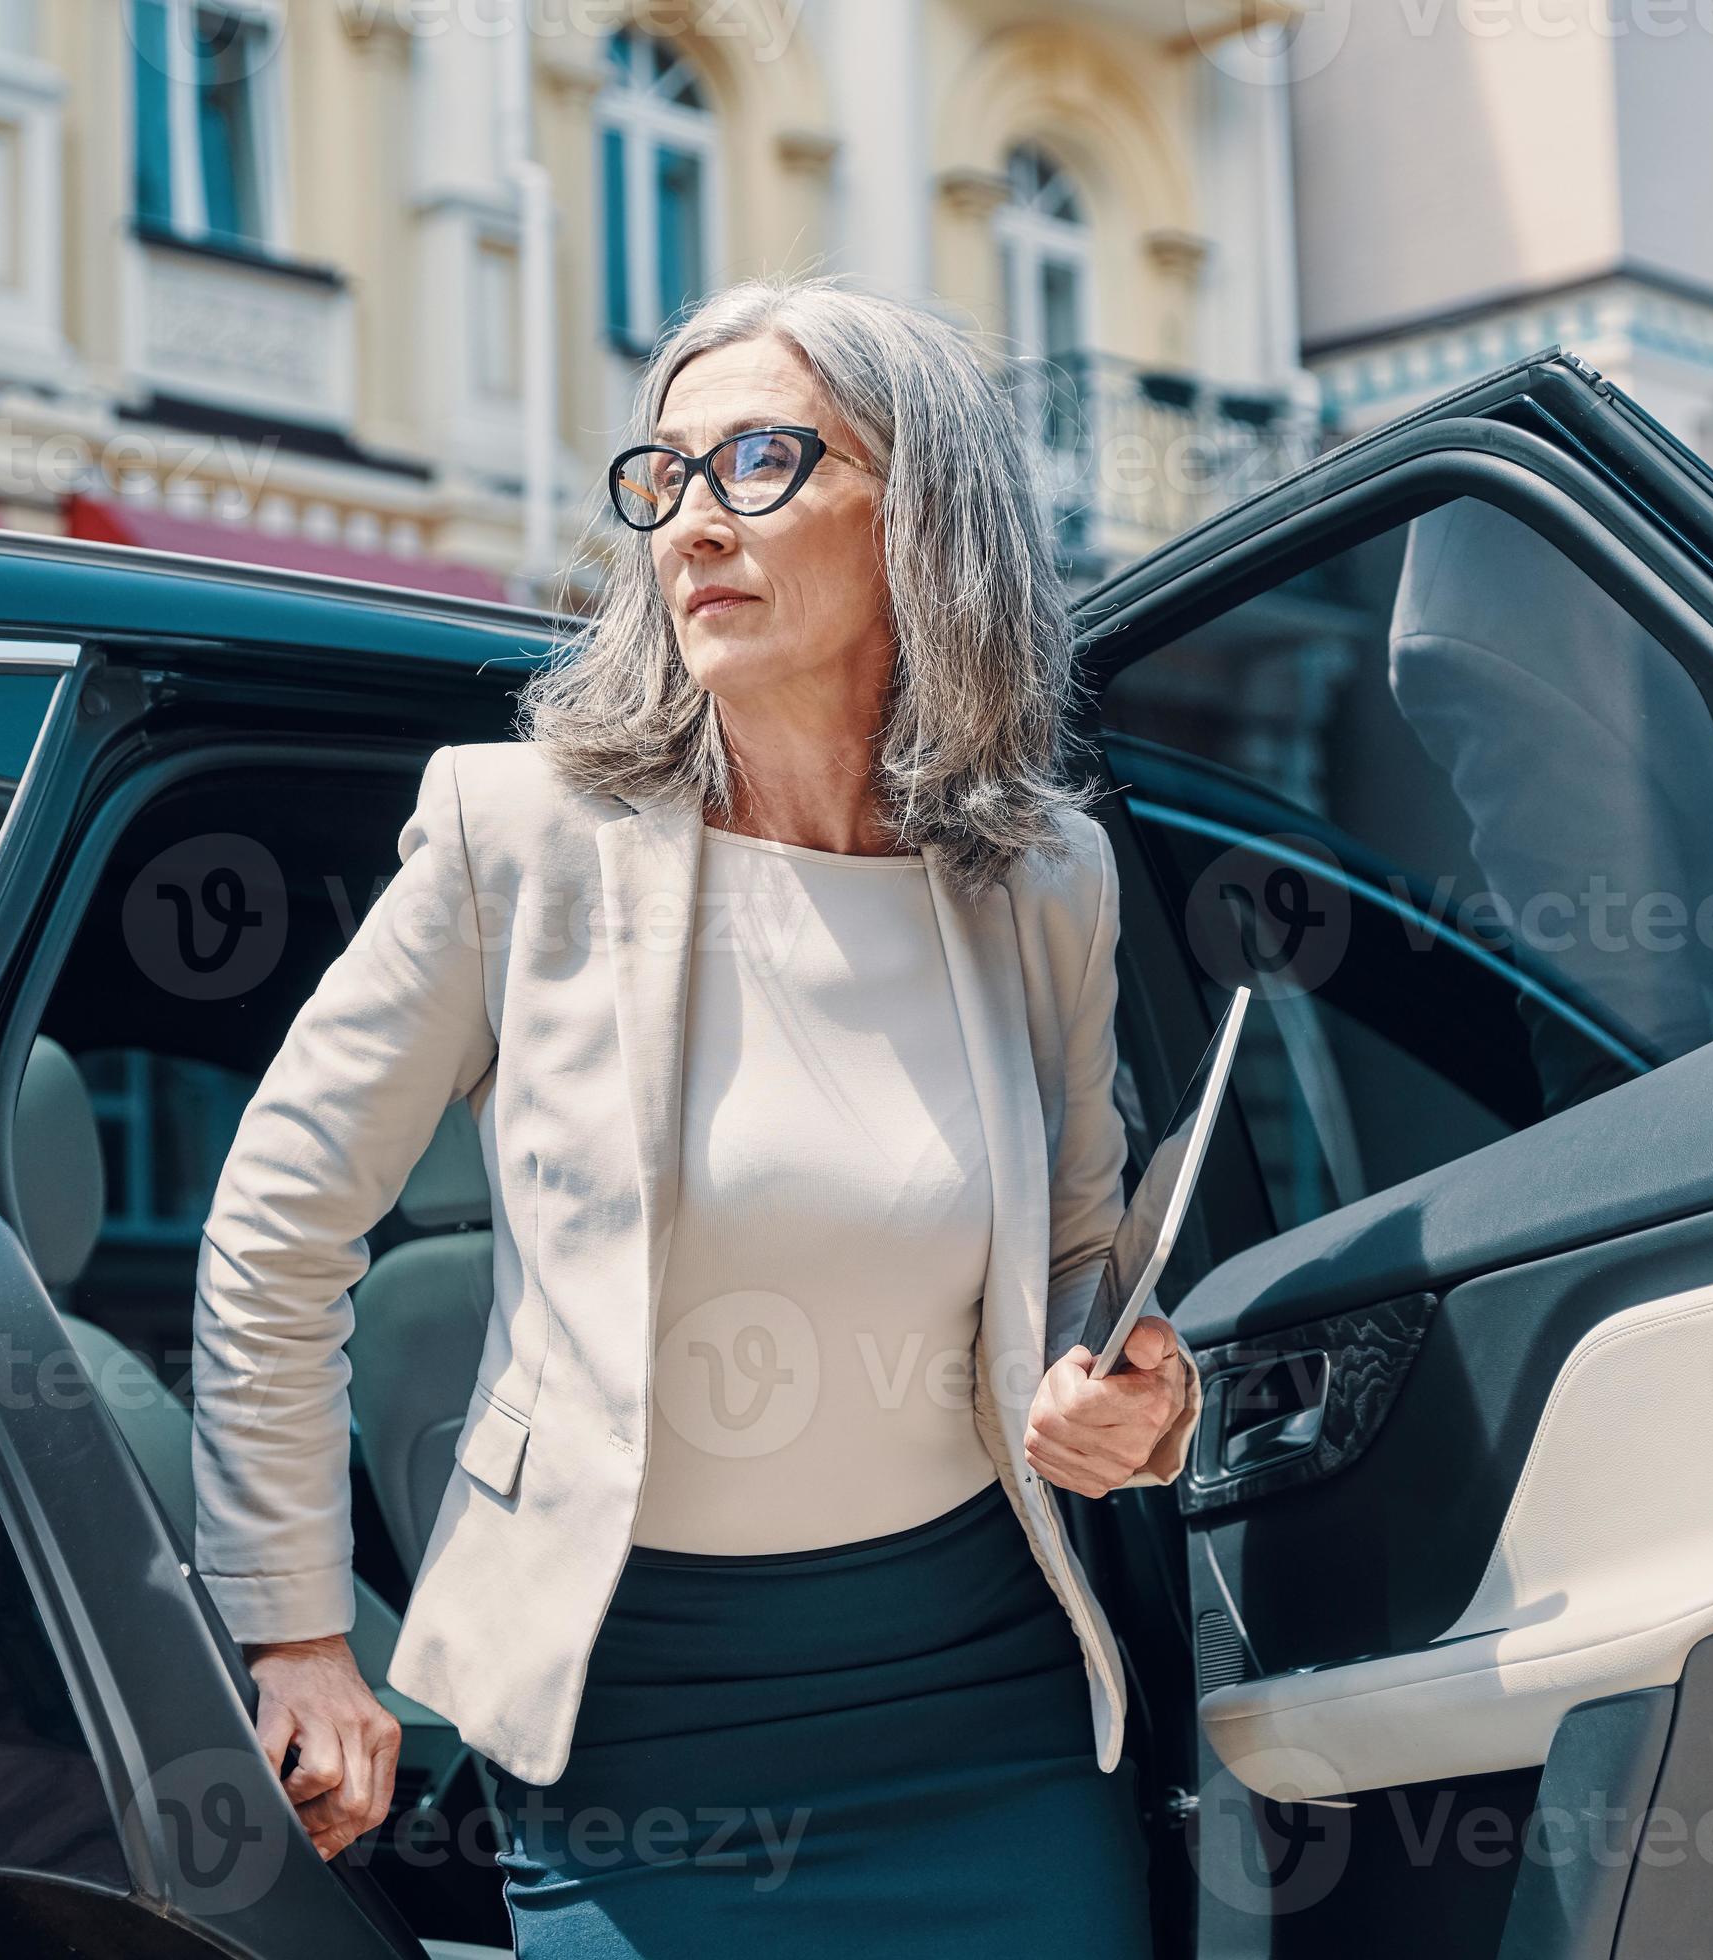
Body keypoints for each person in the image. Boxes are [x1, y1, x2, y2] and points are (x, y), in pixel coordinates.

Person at [186, 272, 1201, 1956]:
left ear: (923, 512)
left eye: (758, 465)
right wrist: (294, 1634)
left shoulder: (1044, 879)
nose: (690, 526)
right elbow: (278, 1225)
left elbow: (1082, 1263)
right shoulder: (516, 835)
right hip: (637, 1729)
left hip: (986, 1713)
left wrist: (1137, 1405)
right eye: (663, 479)